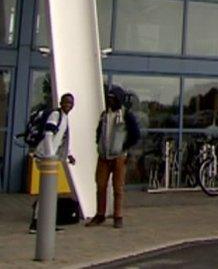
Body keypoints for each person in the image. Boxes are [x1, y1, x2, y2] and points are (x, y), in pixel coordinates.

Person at [87, 86, 140, 229]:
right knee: (101, 185)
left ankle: (118, 215)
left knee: (118, 187)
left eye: (113, 99)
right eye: (109, 99)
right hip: (104, 156)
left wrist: (124, 147)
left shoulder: (126, 115)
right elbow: (99, 131)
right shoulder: (104, 115)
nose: (111, 101)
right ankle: (100, 214)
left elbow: (135, 135)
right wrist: (98, 144)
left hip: (118, 156)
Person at [29, 93, 76, 233]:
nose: (69, 105)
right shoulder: (56, 115)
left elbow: (62, 139)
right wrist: (49, 156)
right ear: (61, 103)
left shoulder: (65, 118)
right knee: (47, 191)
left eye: (71, 103)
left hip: (50, 158)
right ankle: (38, 222)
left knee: (48, 191)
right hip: (44, 157)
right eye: (66, 102)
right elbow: (48, 135)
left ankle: (43, 222)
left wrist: (68, 155)